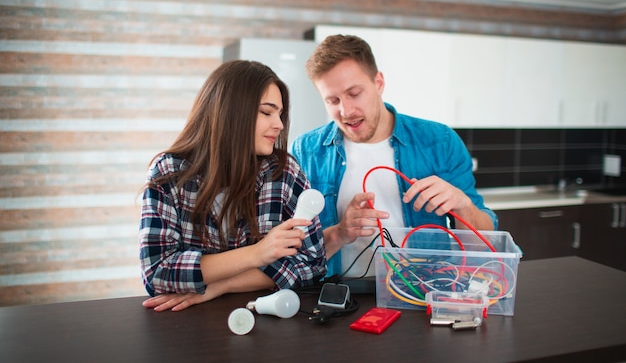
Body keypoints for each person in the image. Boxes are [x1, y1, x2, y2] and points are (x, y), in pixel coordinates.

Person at [291, 34, 497, 278]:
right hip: (338, 299)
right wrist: (339, 232)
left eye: (354, 93)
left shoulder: (439, 141)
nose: (346, 111)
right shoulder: (306, 151)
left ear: (378, 83)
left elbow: (486, 247)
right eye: (333, 100)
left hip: (424, 292)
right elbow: (292, 250)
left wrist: (462, 205)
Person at [139, 60, 326, 311]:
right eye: (267, 112)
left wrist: (220, 285)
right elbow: (158, 272)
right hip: (188, 326)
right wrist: (257, 254)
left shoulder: (283, 173)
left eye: (280, 114)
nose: (279, 124)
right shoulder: (170, 172)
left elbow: (311, 265)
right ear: (232, 112)